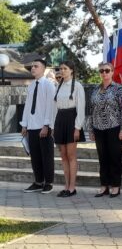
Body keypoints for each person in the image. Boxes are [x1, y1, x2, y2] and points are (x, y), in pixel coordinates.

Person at [89, 62, 122, 198]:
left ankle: (116, 186)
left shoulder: (118, 89)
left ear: (112, 72)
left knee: (115, 157)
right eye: (101, 71)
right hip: (98, 128)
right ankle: (104, 186)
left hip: (114, 127)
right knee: (102, 158)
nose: (104, 73)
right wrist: (91, 129)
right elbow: (91, 110)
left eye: (107, 70)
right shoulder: (95, 89)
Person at [20, 59, 56, 194]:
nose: (33, 68)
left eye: (36, 66)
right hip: (32, 126)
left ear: (43, 68)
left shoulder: (48, 85)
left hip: (43, 126)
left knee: (46, 155)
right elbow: (28, 106)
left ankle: (49, 183)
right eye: (32, 66)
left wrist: (46, 125)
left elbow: (50, 106)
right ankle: (38, 182)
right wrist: (24, 124)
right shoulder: (31, 86)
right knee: (34, 155)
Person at [53, 60, 86, 198]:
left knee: (71, 155)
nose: (62, 71)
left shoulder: (77, 86)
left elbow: (81, 108)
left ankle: (72, 188)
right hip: (60, 120)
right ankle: (66, 186)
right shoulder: (59, 86)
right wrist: (54, 126)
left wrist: (77, 127)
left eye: (65, 68)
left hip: (71, 119)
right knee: (63, 156)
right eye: (61, 69)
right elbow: (55, 107)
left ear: (71, 70)